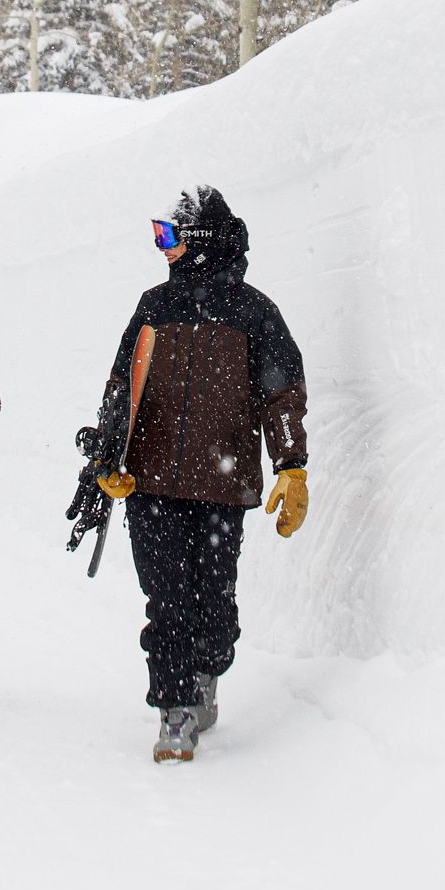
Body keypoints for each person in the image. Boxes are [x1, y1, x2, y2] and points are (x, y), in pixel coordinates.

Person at [83, 186, 309, 763]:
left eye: (168, 234)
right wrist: (108, 457)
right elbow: (121, 387)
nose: (161, 246)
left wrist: (291, 465)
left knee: (214, 605)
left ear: (200, 239)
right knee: (167, 599)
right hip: (151, 482)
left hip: (221, 485)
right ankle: (175, 707)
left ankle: (208, 668)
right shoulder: (153, 306)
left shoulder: (253, 312)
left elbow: (282, 393)